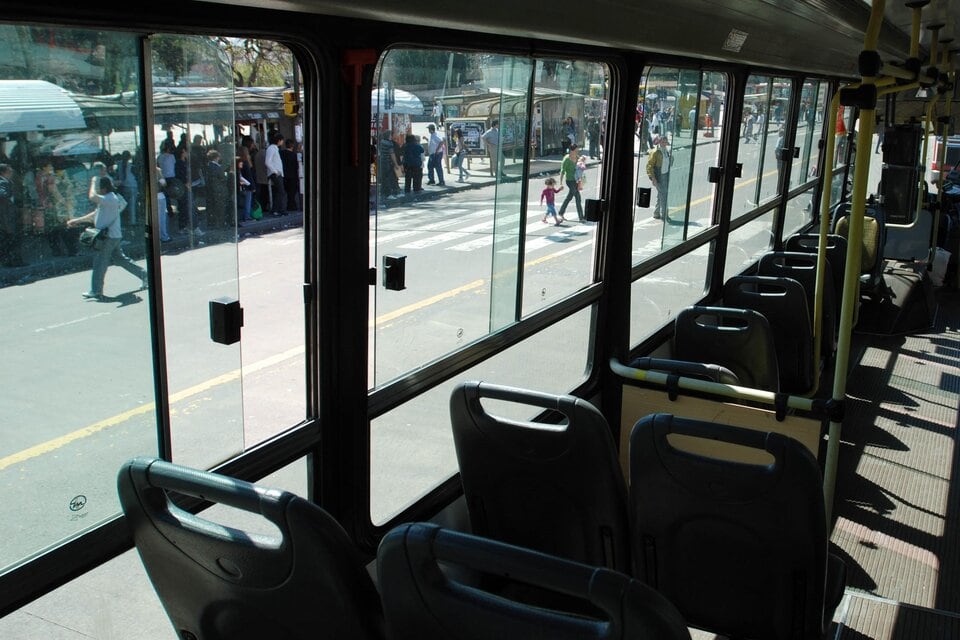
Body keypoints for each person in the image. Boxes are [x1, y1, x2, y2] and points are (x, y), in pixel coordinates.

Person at [67, 175, 146, 300]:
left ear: (104, 188)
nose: (98, 190)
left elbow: (92, 196)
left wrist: (93, 182)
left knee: (99, 263)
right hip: (112, 236)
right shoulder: (107, 199)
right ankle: (145, 276)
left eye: (99, 188)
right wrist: (77, 221)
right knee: (120, 259)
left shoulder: (110, 198)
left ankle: (96, 290)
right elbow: (94, 215)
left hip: (108, 237)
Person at [0, 163, 24, 266]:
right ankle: (13, 261)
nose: (11, 173)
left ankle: (11, 261)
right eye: (9, 171)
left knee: (10, 240)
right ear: (3, 172)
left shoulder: (7, 181)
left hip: (8, 216)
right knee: (11, 240)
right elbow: (3, 195)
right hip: (6, 217)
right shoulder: (2, 182)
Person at [646, 135, 672, 220]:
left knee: (661, 194)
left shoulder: (666, 151)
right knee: (664, 195)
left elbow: (669, 163)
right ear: (659, 142)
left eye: (665, 142)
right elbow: (649, 166)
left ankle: (656, 213)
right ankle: (664, 215)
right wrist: (653, 178)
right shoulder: (655, 152)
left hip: (666, 175)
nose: (664, 144)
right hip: (659, 176)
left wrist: (671, 157)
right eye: (663, 142)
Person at [558, 144, 584, 222]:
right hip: (569, 181)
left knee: (569, 197)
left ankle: (561, 212)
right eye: (576, 151)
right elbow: (562, 171)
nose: (577, 152)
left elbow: (580, 168)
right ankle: (581, 217)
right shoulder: (566, 159)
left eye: (577, 150)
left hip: (576, 180)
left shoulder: (578, 158)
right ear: (571, 151)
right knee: (577, 197)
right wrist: (561, 183)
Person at [264, 130, 287, 215]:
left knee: (278, 192)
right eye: (282, 140)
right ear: (279, 140)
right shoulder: (271, 148)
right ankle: (281, 210)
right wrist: (275, 171)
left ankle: (275, 209)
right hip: (275, 173)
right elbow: (267, 162)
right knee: (281, 191)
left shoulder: (274, 148)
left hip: (277, 173)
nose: (282, 142)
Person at [378, 131, 401, 199]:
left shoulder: (381, 142)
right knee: (389, 178)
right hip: (388, 162)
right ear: (389, 136)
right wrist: (396, 164)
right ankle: (389, 194)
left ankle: (383, 193)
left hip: (382, 161)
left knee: (384, 178)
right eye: (391, 135)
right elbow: (392, 154)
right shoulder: (389, 143)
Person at [236, 145, 256, 223]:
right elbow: (249, 175)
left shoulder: (237, 162)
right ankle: (247, 216)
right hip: (247, 184)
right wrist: (252, 186)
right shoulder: (245, 162)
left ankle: (243, 216)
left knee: (243, 201)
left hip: (241, 184)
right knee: (248, 201)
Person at [281, 139, 300, 211]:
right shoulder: (294, 155)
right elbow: (296, 166)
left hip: (284, 175)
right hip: (292, 176)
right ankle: (291, 205)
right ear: (292, 146)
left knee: (286, 191)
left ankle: (289, 205)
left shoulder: (281, 153)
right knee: (292, 193)